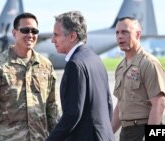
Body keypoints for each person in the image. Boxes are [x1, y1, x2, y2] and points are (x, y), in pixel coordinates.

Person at [0, 12, 61, 141]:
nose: (30, 35)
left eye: (34, 31)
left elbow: (52, 109)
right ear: (14, 33)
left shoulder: (46, 66)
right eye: (25, 30)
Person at [45, 11, 115, 141]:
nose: (52, 40)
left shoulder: (75, 64)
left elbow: (72, 114)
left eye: (56, 35)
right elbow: (108, 103)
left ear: (72, 36)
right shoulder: (95, 59)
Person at [112, 17, 165, 141]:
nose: (120, 36)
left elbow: (159, 104)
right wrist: (107, 133)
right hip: (128, 132)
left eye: (125, 32)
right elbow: (121, 105)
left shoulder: (149, 63)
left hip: (146, 128)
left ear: (137, 34)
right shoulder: (121, 67)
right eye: (117, 32)